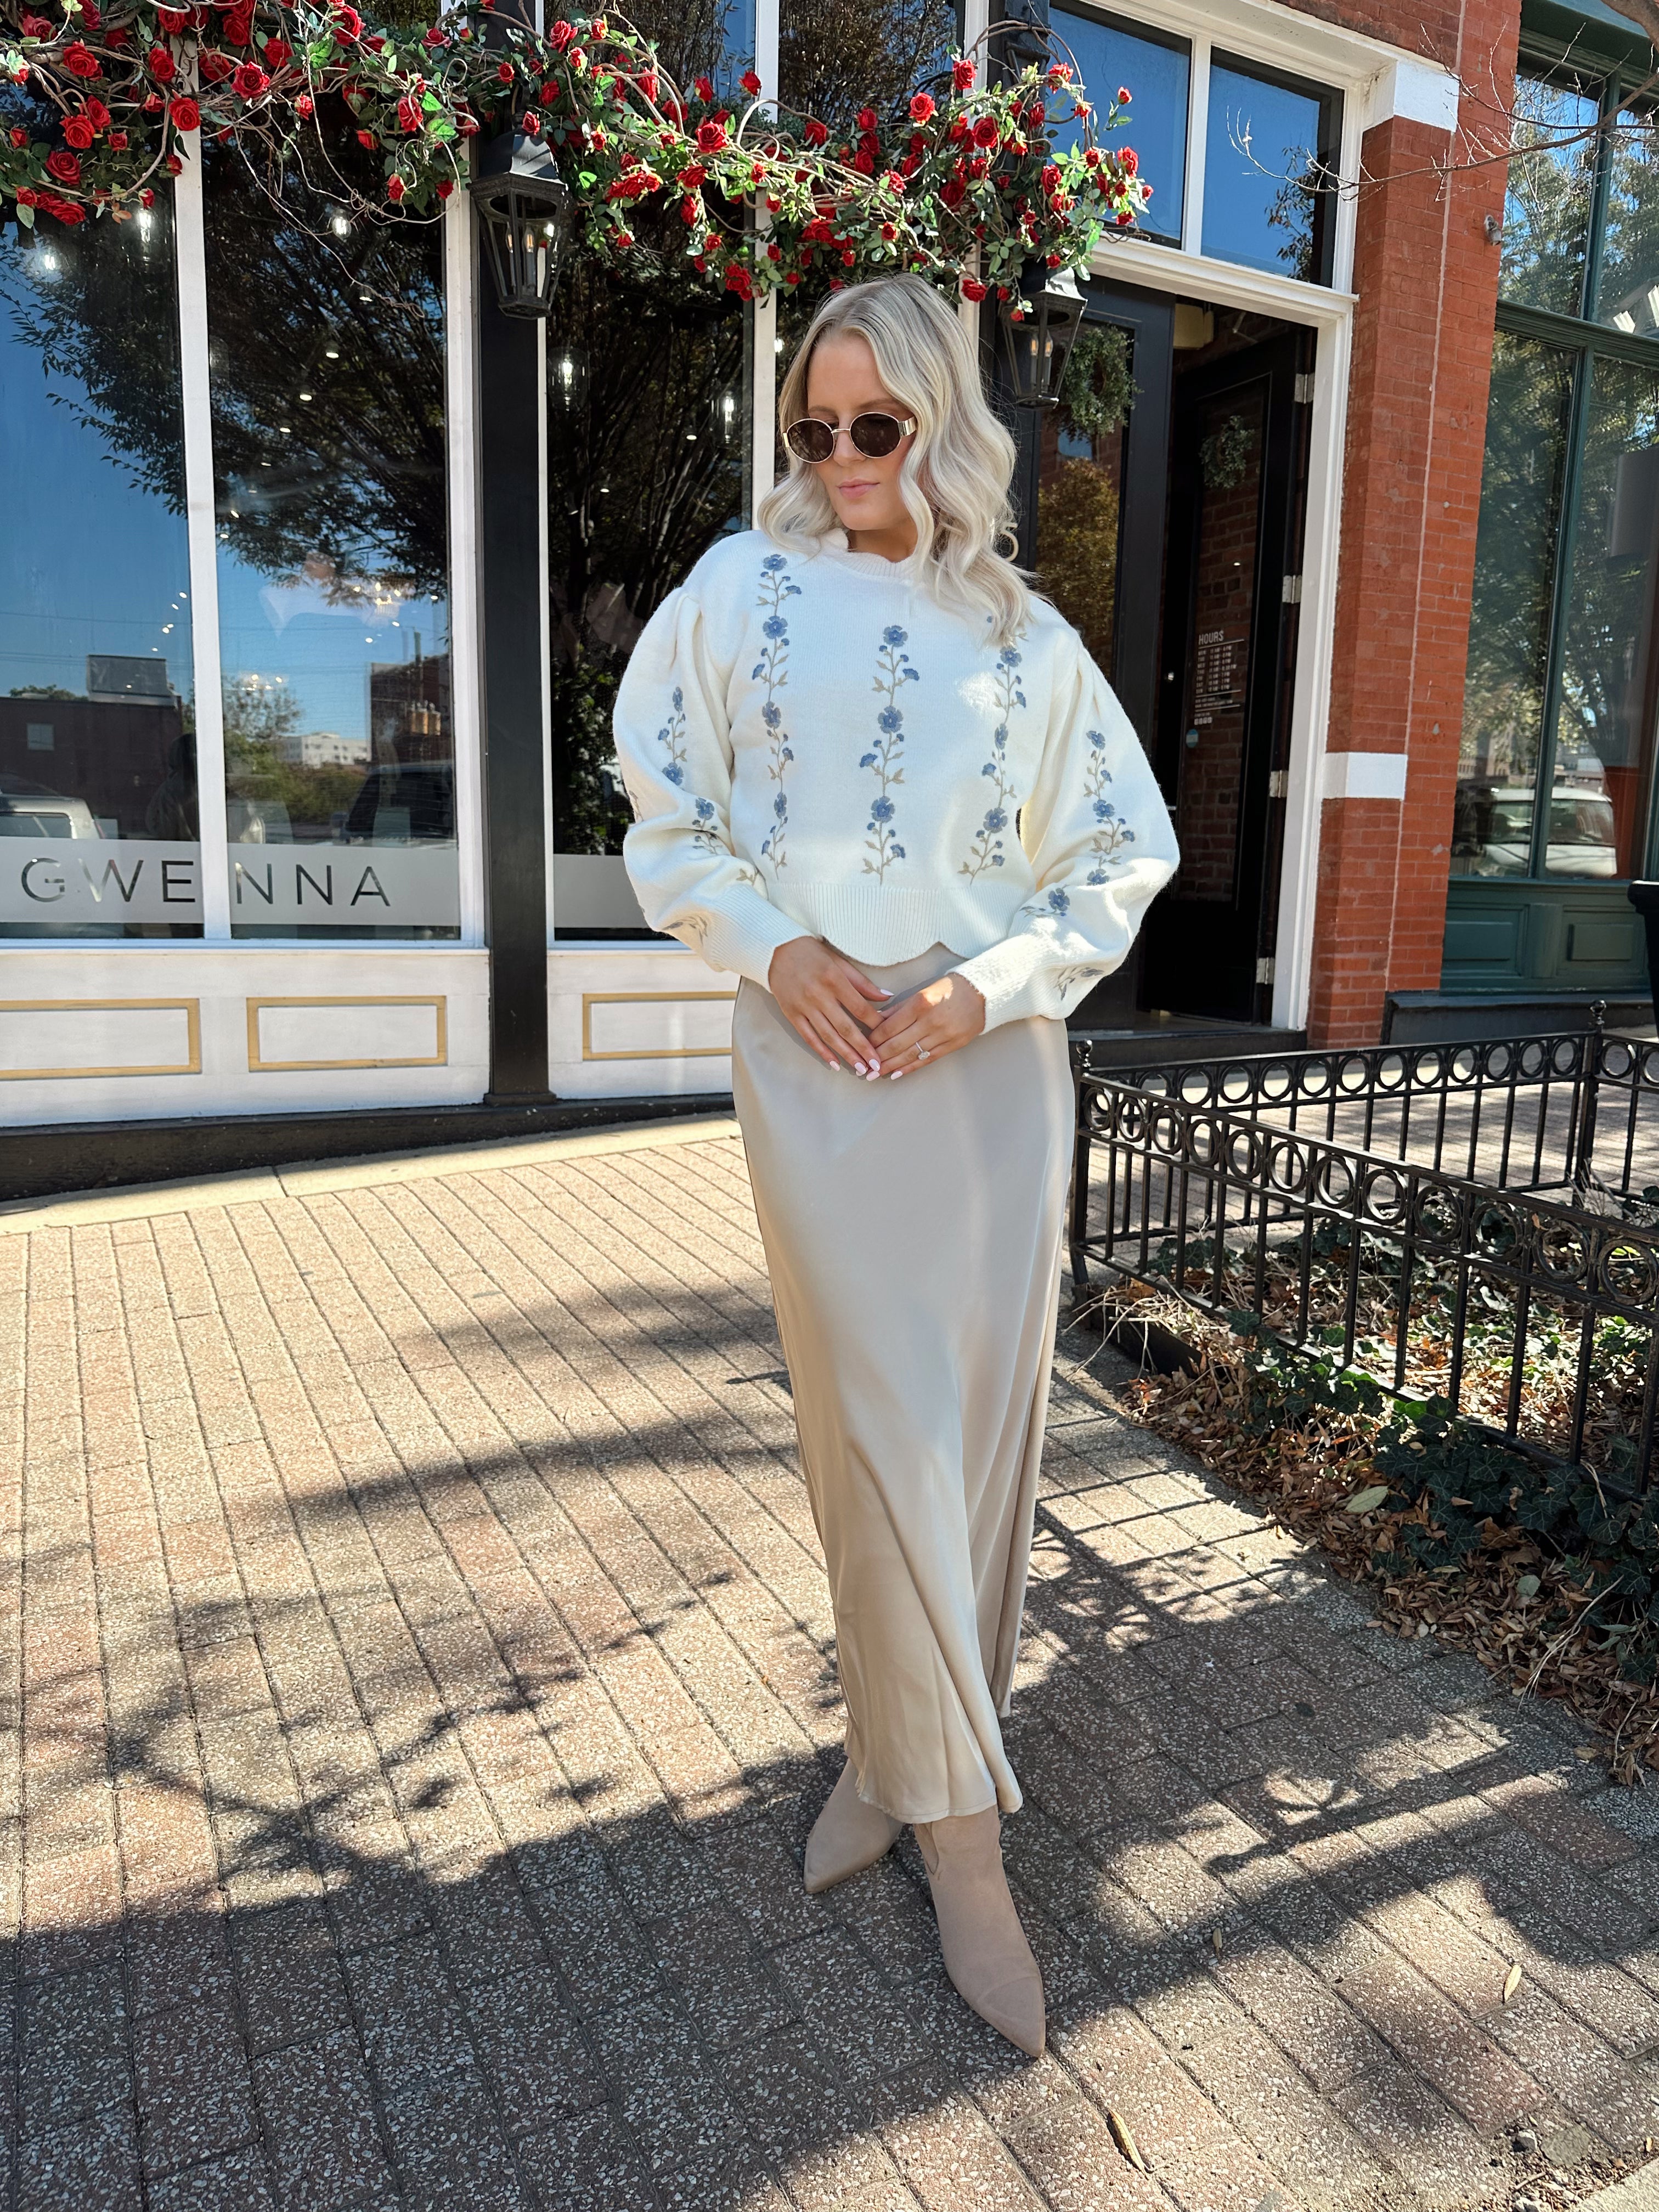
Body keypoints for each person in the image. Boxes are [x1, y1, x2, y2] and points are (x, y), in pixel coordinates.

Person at [613, 273, 1177, 2057]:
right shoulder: (734, 593)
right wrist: (774, 950)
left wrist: (990, 987)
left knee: (978, 1447)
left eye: (877, 427)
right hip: (816, 1074)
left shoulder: (1026, 635)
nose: (843, 462)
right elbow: (669, 808)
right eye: (814, 429)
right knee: (873, 1426)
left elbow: (1120, 855)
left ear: (942, 423)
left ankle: (896, 1759)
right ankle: (965, 1840)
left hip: (991, 1086)